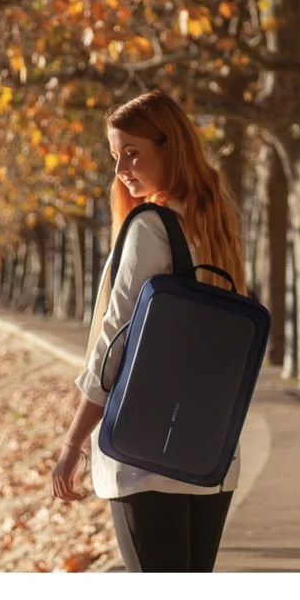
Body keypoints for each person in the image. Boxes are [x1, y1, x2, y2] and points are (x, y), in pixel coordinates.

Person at [51, 89, 247, 573]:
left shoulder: (150, 227)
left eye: (132, 153)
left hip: (146, 450)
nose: (121, 169)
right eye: (115, 157)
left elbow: (114, 345)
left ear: (170, 147)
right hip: (210, 449)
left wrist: (73, 444)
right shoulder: (216, 225)